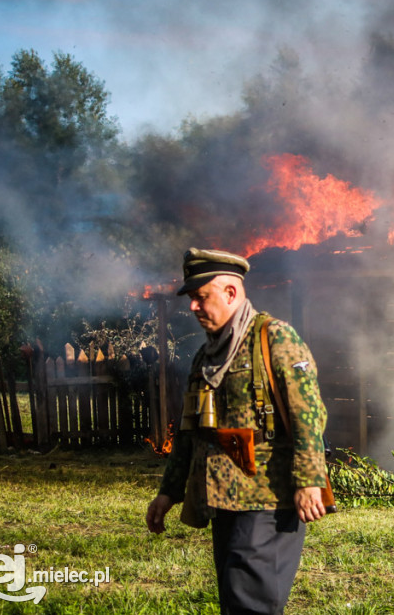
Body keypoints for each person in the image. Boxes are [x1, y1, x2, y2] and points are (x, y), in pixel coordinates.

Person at [146, 247, 328, 614]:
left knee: (250, 601)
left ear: (231, 293)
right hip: (222, 498)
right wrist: (169, 491)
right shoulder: (206, 355)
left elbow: (308, 412)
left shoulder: (274, 338)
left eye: (201, 298)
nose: (194, 308)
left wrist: (310, 479)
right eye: (192, 300)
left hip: (269, 498)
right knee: (233, 594)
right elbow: (188, 431)